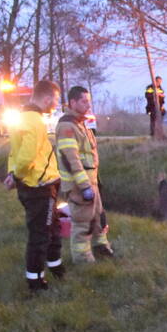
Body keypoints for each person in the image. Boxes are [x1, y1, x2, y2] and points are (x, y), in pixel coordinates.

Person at [4, 79, 63, 292]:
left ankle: (56, 266)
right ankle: (36, 282)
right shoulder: (36, 121)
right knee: (41, 234)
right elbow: (27, 155)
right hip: (40, 186)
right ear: (47, 98)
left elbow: (14, 151)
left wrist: (13, 174)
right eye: (55, 100)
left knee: (53, 228)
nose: (55, 104)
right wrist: (18, 175)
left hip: (36, 184)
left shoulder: (21, 119)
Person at [56, 85, 114, 263]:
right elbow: (72, 159)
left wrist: (93, 182)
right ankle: (83, 259)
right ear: (73, 102)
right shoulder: (67, 126)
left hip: (91, 182)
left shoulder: (80, 124)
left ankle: (100, 247)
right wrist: (83, 186)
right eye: (84, 101)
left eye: (89, 101)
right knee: (82, 223)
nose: (88, 105)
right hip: (79, 185)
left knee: (98, 218)